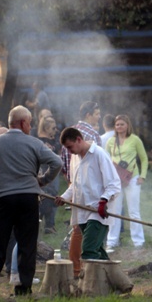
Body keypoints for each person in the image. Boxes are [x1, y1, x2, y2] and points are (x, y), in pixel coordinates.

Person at [0, 106, 62, 301]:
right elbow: (57, 163)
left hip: (2, 200)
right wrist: (42, 181)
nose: (31, 126)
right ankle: (23, 289)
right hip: (28, 199)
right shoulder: (34, 143)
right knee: (27, 245)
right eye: (30, 123)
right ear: (23, 123)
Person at [56, 127, 121, 263]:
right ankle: (118, 281)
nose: (69, 151)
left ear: (78, 140)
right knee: (98, 251)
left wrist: (104, 201)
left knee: (89, 250)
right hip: (82, 211)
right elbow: (75, 185)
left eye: (70, 147)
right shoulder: (75, 158)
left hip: (99, 211)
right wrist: (64, 197)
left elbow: (114, 184)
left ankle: (93, 283)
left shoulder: (99, 154)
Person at [60, 101, 102, 278]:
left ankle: (77, 267)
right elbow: (100, 165)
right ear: (88, 114)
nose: (99, 116)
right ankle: (80, 269)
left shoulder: (68, 132)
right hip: (90, 189)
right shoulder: (93, 135)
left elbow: (63, 163)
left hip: (74, 184)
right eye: (97, 113)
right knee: (87, 230)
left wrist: (69, 184)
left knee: (79, 227)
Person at [105, 114, 149, 249]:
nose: (119, 127)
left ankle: (138, 241)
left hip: (132, 177)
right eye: (117, 124)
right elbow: (106, 160)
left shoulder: (135, 140)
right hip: (116, 179)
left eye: (122, 124)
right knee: (114, 210)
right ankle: (112, 241)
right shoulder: (111, 141)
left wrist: (142, 176)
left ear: (128, 125)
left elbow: (144, 158)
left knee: (134, 210)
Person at [37, 116, 60, 234]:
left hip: (53, 170)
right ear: (46, 128)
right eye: (53, 128)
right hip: (44, 169)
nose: (55, 130)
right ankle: (41, 222)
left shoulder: (54, 140)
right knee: (45, 197)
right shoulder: (38, 141)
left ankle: (50, 225)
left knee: (53, 196)